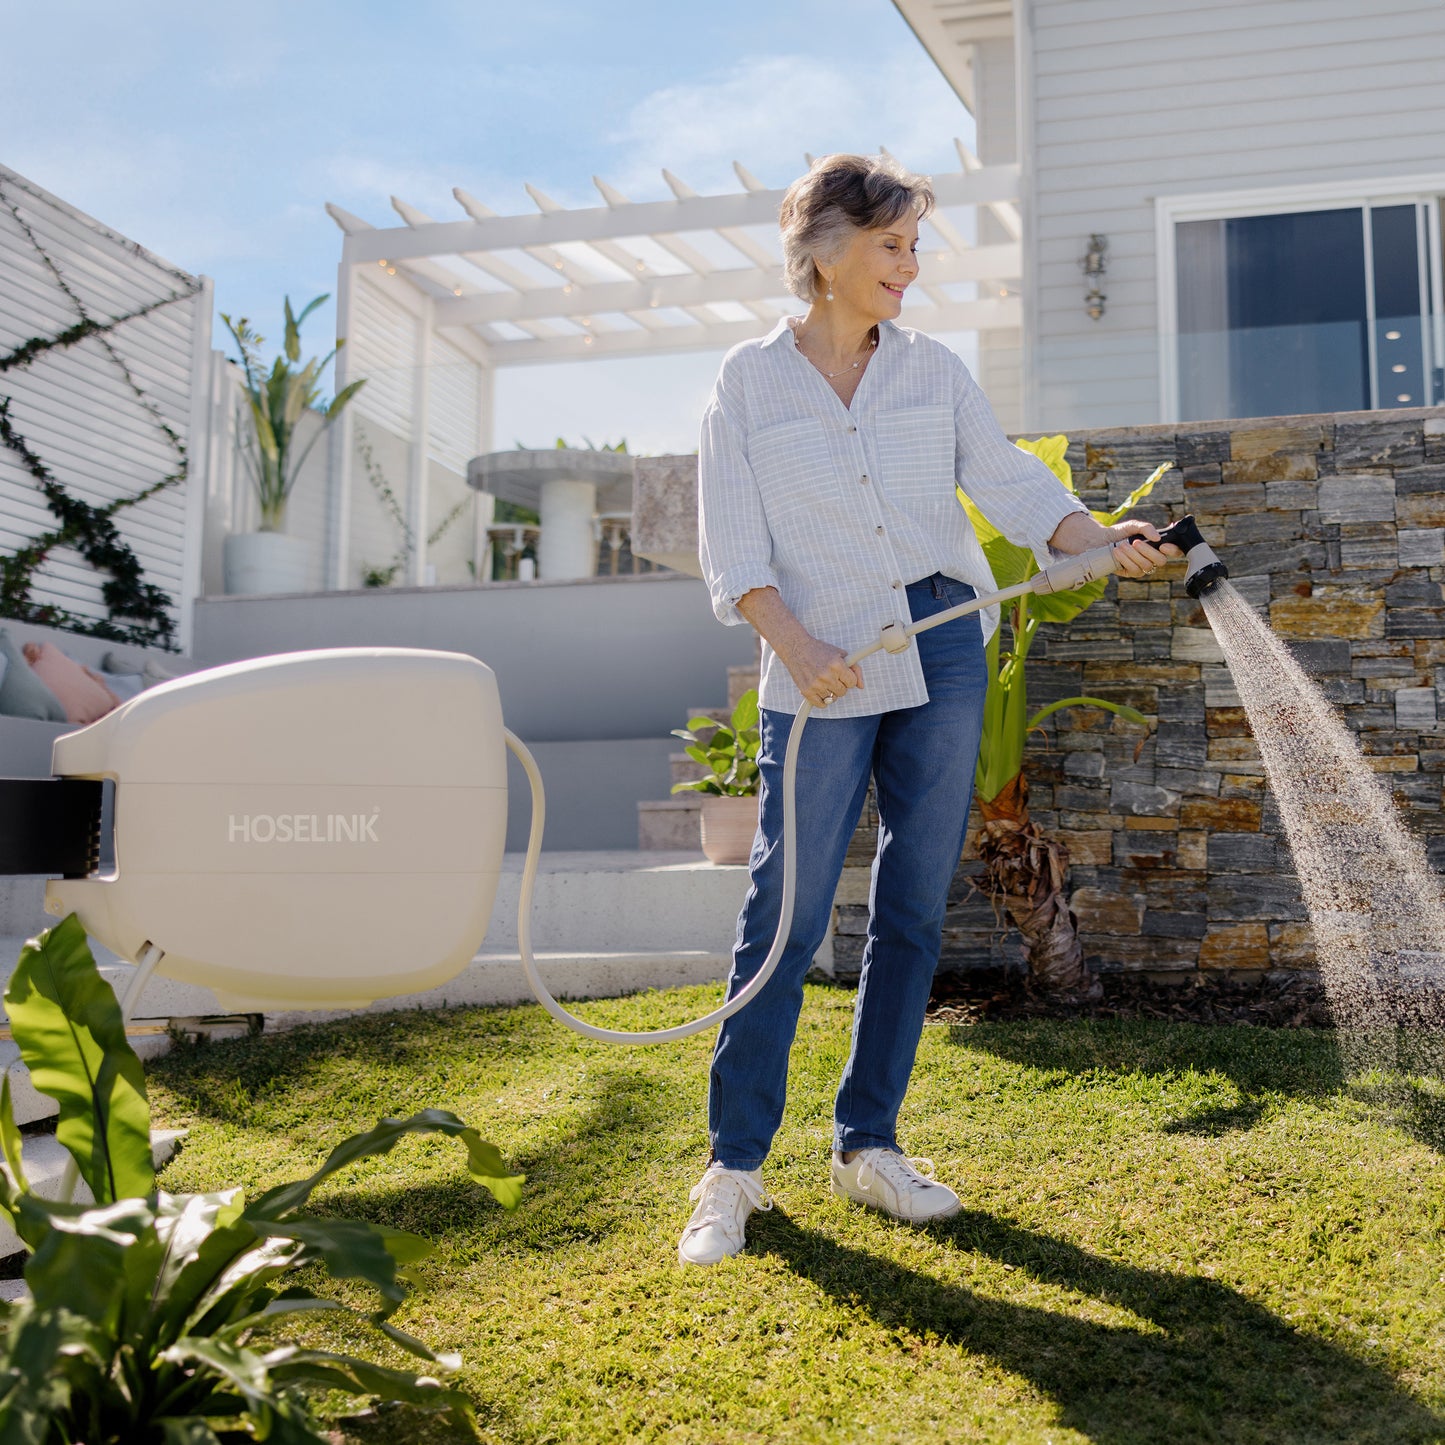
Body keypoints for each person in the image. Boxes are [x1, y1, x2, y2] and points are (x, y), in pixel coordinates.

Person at [681, 153, 1178, 1267]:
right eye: (893, 245)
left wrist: (1097, 543)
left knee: (910, 906)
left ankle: (867, 1143)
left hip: (945, 643)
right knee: (785, 912)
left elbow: (1004, 480)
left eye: (914, 245)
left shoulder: (932, 372)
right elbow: (731, 542)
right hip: (819, 665)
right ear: (824, 251)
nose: (911, 266)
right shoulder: (746, 382)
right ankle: (733, 1166)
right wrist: (796, 646)